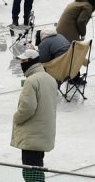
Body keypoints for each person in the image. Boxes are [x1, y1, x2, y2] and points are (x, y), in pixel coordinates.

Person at [11, 49, 57, 182]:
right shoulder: (50, 79)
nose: (21, 63)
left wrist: (16, 118)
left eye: (24, 61)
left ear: (32, 62)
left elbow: (27, 108)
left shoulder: (31, 81)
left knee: (30, 173)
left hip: (32, 135)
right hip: (43, 132)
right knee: (37, 168)